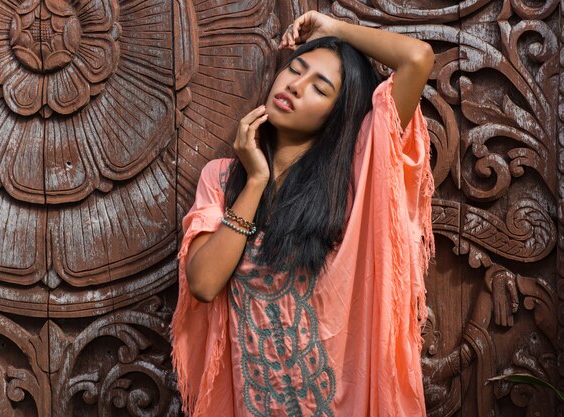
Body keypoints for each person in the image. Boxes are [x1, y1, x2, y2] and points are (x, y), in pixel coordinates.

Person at [172, 10, 435, 417]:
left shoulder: (357, 180)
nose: (295, 86)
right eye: (295, 69)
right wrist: (256, 180)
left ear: (337, 113)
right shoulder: (222, 180)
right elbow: (204, 283)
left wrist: (334, 30)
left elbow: (417, 58)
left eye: (320, 87)